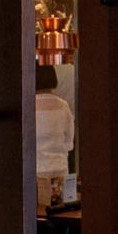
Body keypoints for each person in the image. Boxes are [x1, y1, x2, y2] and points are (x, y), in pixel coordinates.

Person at [35, 64, 74, 208]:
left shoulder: (28, 106)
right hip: (61, 169)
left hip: (37, 171)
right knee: (61, 210)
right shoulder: (63, 105)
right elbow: (69, 140)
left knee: (39, 211)